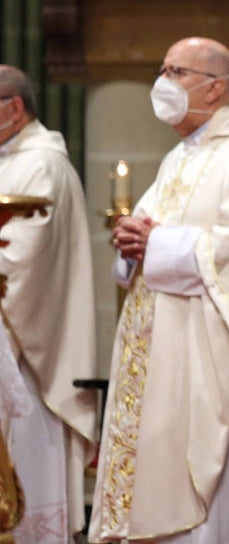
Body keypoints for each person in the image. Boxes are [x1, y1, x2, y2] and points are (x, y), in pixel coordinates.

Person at [90, 37, 229, 543]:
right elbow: (151, 230)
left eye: (177, 71)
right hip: (159, 345)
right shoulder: (179, 156)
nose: (164, 82)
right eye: (163, 69)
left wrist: (155, 241)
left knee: (197, 475)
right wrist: (133, 239)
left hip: (206, 350)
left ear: (216, 87)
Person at [0, 66, 98, 542]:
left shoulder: (41, 163)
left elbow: (18, 260)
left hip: (27, 363)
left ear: (14, 108)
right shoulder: (12, 158)